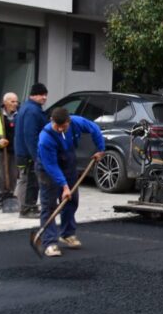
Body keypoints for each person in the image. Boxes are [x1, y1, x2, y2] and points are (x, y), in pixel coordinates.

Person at [37, 107, 105, 257]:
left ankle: (67, 233)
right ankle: (50, 242)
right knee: (49, 205)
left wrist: (100, 149)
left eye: (64, 126)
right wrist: (64, 186)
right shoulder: (45, 139)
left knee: (72, 200)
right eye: (57, 126)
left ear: (69, 121)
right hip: (47, 169)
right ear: (52, 121)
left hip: (68, 162)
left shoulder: (77, 122)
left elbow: (94, 129)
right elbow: (51, 166)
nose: (60, 129)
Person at [14, 83, 48, 219]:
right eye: (41, 95)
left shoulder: (28, 108)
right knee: (29, 182)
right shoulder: (32, 111)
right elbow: (30, 136)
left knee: (26, 180)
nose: (44, 97)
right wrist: (36, 156)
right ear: (33, 95)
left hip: (23, 152)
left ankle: (27, 207)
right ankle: (27, 209)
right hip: (28, 154)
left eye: (45, 95)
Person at [0, 93, 20, 211]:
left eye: (16, 102)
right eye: (12, 101)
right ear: (5, 102)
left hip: (14, 149)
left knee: (13, 174)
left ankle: (9, 195)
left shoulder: (19, 114)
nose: (15, 104)